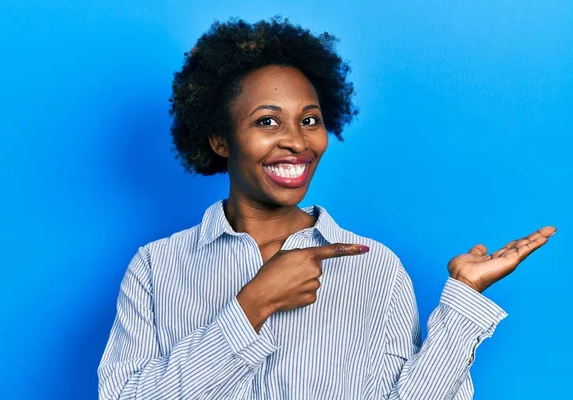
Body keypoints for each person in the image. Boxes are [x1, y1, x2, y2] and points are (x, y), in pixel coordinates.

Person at [97, 16, 556, 399]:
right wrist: (252, 306)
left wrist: (463, 300)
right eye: (267, 121)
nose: (297, 141)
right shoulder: (158, 269)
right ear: (220, 139)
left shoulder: (374, 268)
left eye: (310, 120)